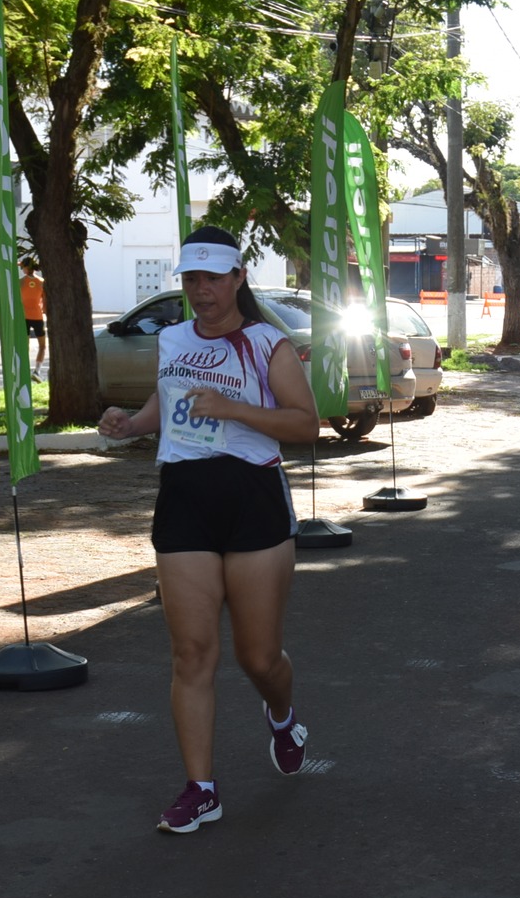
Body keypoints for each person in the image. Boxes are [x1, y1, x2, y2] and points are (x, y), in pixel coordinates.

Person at [96, 226, 320, 835]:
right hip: (185, 499)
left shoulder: (267, 344)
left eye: (213, 279)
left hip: (253, 500)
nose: (202, 292)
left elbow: (306, 425)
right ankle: (202, 789)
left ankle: (282, 715)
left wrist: (236, 409)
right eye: (192, 279)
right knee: (192, 651)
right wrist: (129, 424)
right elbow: (168, 405)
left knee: (258, 656)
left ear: (238, 278)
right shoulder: (171, 339)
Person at [20, 258, 47, 375]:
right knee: (42, 346)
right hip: (37, 316)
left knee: (25, 346)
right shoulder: (42, 282)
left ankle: (25, 369)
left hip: (23, 316)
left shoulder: (20, 282)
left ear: (26, 268)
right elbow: (45, 303)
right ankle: (37, 370)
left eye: (22, 267)